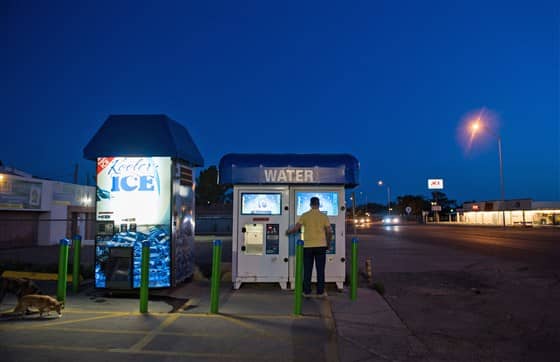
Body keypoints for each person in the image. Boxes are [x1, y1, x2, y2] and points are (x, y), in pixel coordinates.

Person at [286, 196, 333, 298]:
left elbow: (296, 228)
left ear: (310, 205)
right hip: (321, 246)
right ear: (319, 204)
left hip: (307, 246)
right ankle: (320, 292)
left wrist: (288, 232)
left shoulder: (305, 215)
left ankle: (306, 292)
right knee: (320, 270)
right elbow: (329, 232)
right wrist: (328, 244)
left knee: (307, 270)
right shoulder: (324, 216)